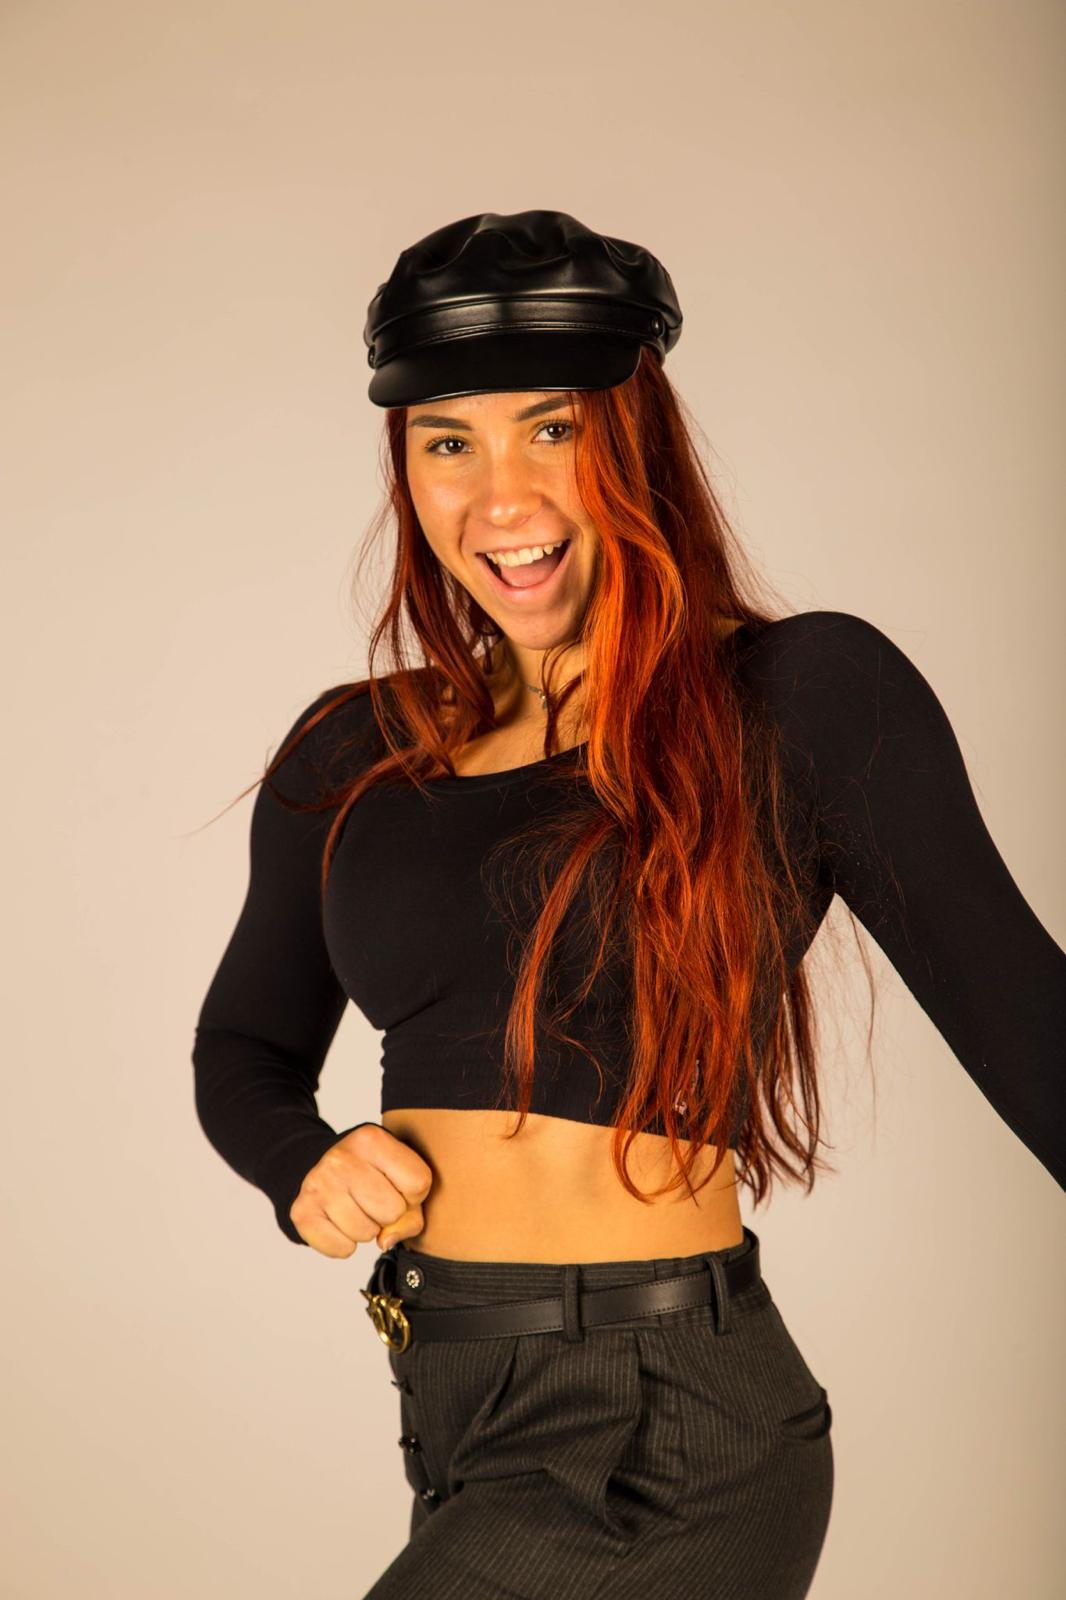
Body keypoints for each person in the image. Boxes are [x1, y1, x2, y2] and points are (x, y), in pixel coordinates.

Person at [191, 210, 1066, 1599]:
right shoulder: (351, 750)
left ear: (639, 440)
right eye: (446, 443)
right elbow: (242, 1047)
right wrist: (301, 1162)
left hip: (662, 1435)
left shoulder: (798, 698)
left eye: (553, 430)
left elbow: (1037, 1038)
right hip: (451, 1404)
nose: (501, 498)